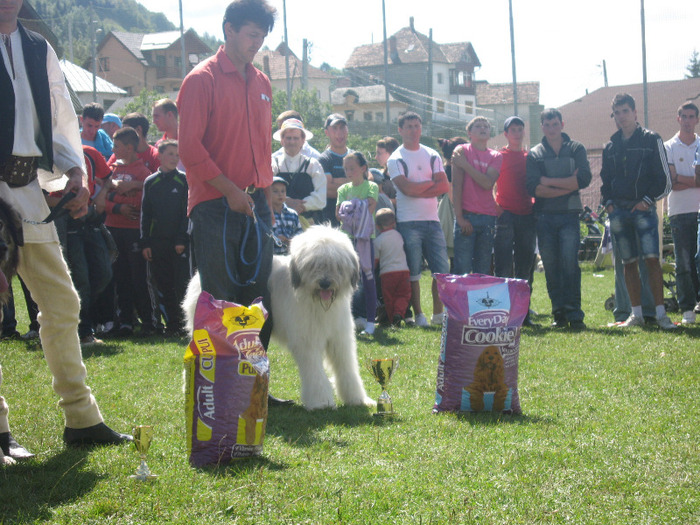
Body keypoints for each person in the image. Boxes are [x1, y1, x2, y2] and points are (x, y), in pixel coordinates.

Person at [0, 0, 131, 458]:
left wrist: (76, 170)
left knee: (62, 302)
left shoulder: (37, 48)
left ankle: (81, 418)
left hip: (27, 190)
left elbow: (58, 113)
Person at [177, 0, 292, 406]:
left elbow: (261, 147)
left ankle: (255, 387)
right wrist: (228, 189)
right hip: (214, 204)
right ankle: (220, 389)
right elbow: (189, 149)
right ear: (228, 30)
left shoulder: (262, 82)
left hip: (256, 204)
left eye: (261, 37)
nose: (256, 44)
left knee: (258, 301)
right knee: (219, 299)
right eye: (250, 35)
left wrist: (263, 195)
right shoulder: (200, 79)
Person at [600, 93, 675, 330]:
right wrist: (609, 204)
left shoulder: (652, 139)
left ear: (635, 112)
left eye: (625, 111)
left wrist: (646, 201)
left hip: (644, 210)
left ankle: (661, 314)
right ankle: (636, 314)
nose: (621, 117)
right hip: (619, 212)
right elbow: (605, 181)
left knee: (653, 261)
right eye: (617, 113)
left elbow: (665, 180)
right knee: (628, 263)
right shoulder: (610, 146)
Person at [525, 108, 591, 330]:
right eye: (547, 125)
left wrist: (548, 181)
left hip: (570, 216)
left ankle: (575, 315)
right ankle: (559, 314)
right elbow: (534, 188)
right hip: (544, 217)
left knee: (570, 265)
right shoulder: (534, 153)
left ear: (562, 124)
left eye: (555, 124)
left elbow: (583, 179)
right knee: (552, 267)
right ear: (542, 126)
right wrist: (567, 185)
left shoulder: (576, 148)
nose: (551, 129)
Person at [387, 111, 450, 327]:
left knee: (441, 271)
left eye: (417, 126)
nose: (414, 130)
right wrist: (430, 186)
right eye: (409, 126)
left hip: (433, 221)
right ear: (400, 130)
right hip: (408, 222)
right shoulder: (395, 158)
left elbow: (444, 186)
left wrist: (418, 188)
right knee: (413, 272)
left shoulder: (432, 154)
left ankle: (438, 314)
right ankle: (419, 314)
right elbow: (406, 189)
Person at [97, 127, 157, 337]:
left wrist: (123, 196)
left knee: (138, 277)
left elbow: (140, 202)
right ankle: (125, 323)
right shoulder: (111, 169)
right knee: (119, 277)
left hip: (133, 232)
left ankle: (149, 321)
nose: (112, 149)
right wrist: (118, 206)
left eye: (116, 146)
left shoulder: (143, 173)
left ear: (129, 148)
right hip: (113, 228)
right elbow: (102, 197)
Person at [492, 116, 538, 327]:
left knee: (525, 267)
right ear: (506, 134)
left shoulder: (531, 157)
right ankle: (501, 315)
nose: (517, 133)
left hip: (527, 215)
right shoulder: (498, 156)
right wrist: (497, 208)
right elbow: (488, 184)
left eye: (520, 129)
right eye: (513, 129)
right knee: (502, 266)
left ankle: (523, 315)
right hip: (505, 215)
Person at [451, 116, 502, 275]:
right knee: (462, 268)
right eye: (478, 126)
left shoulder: (496, 156)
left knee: (483, 268)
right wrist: (459, 217)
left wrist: (465, 165)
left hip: (488, 218)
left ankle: (479, 300)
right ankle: (461, 300)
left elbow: (487, 183)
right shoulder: (461, 150)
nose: (483, 128)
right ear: (469, 132)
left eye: (486, 126)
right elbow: (456, 185)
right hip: (467, 216)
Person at [664, 102, 700, 324]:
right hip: (678, 212)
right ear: (678, 119)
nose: (687, 120)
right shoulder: (669, 146)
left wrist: (682, 179)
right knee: (684, 262)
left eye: (691, 116)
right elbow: (671, 182)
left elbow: (678, 179)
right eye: (684, 116)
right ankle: (687, 309)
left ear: (697, 119)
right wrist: (695, 181)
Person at [336, 152, 379, 336]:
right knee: (344, 279)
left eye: (352, 168)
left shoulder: (372, 186)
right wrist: (355, 207)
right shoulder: (343, 189)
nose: (348, 171)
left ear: (363, 168)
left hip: (364, 239)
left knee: (368, 279)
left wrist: (350, 208)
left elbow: (368, 208)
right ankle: (344, 321)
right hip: (346, 239)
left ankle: (370, 321)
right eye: (346, 168)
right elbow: (339, 213)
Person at [271, 118, 326, 224]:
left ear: (303, 140)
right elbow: (265, 192)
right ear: (282, 141)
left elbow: (321, 197)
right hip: (279, 222)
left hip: (309, 222)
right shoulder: (273, 163)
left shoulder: (313, 164)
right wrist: (287, 202)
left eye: (296, 138)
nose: (292, 142)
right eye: (288, 138)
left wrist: (301, 206)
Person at [374, 208, 411, 327]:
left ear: (377, 226)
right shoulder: (399, 236)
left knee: (388, 297)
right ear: (394, 223)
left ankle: (391, 320)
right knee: (403, 294)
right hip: (403, 271)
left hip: (387, 273)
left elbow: (376, 260)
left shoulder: (378, 241)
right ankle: (399, 312)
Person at [318, 113, 350, 225]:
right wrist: (353, 183)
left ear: (347, 130)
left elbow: (367, 183)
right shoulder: (324, 159)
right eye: (334, 128)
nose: (339, 133)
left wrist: (336, 181)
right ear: (327, 132)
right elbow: (327, 189)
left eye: (342, 128)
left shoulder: (356, 156)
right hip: (331, 221)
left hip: (357, 220)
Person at [270, 176, 302, 255]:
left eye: (283, 191)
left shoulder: (293, 214)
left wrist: (290, 241)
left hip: (290, 256)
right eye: (275, 191)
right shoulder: (266, 215)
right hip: (271, 256)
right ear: (267, 193)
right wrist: (275, 239)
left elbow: (300, 234)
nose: (280, 194)